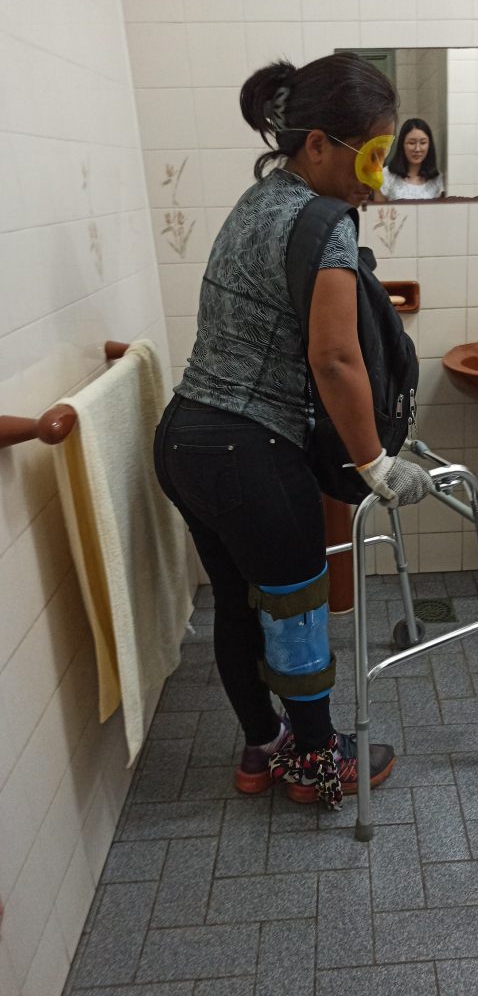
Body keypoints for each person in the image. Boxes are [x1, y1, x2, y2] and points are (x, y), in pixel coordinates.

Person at [153, 53, 433, 810]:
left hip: (184, 439)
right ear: (317, 145)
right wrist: (376, 465)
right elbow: (335, 358)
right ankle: (317, 762)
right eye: (371, 156)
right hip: (249, 451)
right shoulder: (324, 223)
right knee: (298, 608)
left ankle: (263, 748)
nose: (377, 178)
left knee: (239, 602)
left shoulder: (258, 201)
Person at [376, 117, 444, 201]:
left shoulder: (437, 178)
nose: (417, 149)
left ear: (429, 145)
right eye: (411, 143)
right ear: (402, 145)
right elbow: (378, 208)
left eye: (423, 143)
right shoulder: (386, 175)